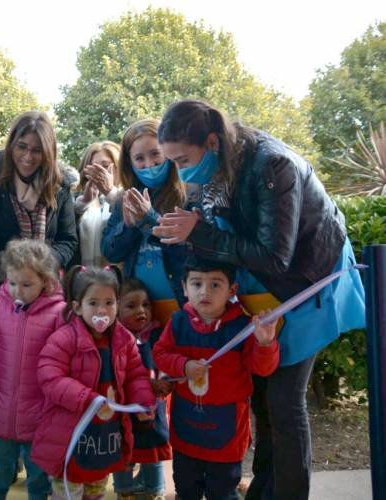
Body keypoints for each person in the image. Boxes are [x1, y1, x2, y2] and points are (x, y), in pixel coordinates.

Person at [152, 99, 366, 499]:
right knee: (266, 400)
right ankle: (265, 490)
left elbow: (275, 255)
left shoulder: (273, 166)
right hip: (268, 289)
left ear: (211, 141)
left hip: (309, 283)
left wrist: (198, 232)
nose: (180, 171)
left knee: (285, 402)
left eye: (182, 160)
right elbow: (214, 228)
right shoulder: (221, 164)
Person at [153, 257, 279, 500]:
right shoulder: (178, 323)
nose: (204, 292)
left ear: (232, 290)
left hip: (227, 434)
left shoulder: (242, 328)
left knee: (222, 492)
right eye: (197, 284)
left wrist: (265, 343)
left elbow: (262, 369)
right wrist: (184, 365)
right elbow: (160, 354)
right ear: (184, 287)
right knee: (186, 489)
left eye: (215, 285)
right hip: (186, 429)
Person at [31, 266, 156, 500]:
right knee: (68, 492)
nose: (102, 310)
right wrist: (86, 398)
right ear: (77, 307)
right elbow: (50, 378)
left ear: (117, 304)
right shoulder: (64, 338)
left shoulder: (124, 339)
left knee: (97, 489)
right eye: (93, 303)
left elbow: (135, 375)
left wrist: (143, 401)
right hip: (70, 436)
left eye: (109, 302)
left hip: (105, 437)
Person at [0, 239, 66, 500]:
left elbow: (65, 364)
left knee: (39, 472)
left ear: (46, 280)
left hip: (41, 414)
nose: (17, 290)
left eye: (27, 284)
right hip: (1, 409)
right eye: (12, 283)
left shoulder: (59, 313)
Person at [0, 111, 77, 305]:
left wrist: (41, 265)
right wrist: (15, 267)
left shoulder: (60, 185)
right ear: (11, 146)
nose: (28, 156)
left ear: (48, 152)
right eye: (22, 147)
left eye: (37, 150)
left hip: (45, 293)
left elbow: (68, 240)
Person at [101, 118, 187, 326]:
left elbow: (189, 252)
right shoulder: (125, 198)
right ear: (129, 163)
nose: (149, 164)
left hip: (181, 305)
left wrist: (150, 220)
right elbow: (110, 252)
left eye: (155, 154)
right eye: (139, 158)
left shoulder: (187, 196)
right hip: (139, 313)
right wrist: (128, 227)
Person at [112, 279, 172, 500]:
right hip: (123, 409)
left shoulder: (157, 334)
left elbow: (165, 363)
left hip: (152, 409)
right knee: (122, 451)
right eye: (131, 306)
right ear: (116, 309)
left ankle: (155, 491)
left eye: (145, 305)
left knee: (152, 450)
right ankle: (124, 491)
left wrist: (164, 382)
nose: (141, 311)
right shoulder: (114, 338)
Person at [73, 141, 121, 267]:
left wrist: (110, 192)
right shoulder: (75, 197)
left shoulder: (127, 195)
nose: (98, 172)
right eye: (93, 167)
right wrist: (84, 202)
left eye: (105, 166)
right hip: (82, 277)